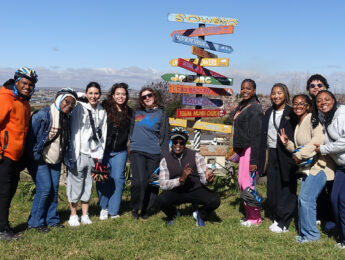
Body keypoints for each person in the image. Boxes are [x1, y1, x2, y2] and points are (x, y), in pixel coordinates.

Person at [279, 94, 335, 243]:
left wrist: (301, 154)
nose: (298, 106)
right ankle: (305, 233)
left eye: (302, 104)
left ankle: (311, 235)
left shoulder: (312, 119)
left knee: (306, 199)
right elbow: (299, 149)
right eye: (295, 104)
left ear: (308, 106)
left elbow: (318, 141)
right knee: (304, 199)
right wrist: (287, 144)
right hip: (307, 168)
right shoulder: (299, 123)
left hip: (320, 167)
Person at [26, 88, 77, 232]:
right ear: (59, 99)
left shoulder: (67, 118)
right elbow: (30, 139)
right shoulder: (43, 115)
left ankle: (52, 219)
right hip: (39, 159)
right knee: (44, 189)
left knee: (54, 190)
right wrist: (33, 156)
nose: (69, 105)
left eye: (73, 103)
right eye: (67, 101)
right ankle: (35, 222)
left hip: (56, 159)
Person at [0, 67, 38, 241]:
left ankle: (4, 227)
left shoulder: (24, 101)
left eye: (31, 84)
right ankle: (2, 230)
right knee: (4, 193)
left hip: (16, 156)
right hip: (4, 155)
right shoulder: (6, 98)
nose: (27, 87)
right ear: (16, 81)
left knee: (9, 192)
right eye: (24, 82)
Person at [156, 127, 220, 226]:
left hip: (195, 189)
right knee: (160, 200)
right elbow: (163, 184)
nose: (178, 145)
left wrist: (208, 179)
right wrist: (180, 180)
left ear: (185, 143)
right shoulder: (165, 160)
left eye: (181, 143)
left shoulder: (196, 156)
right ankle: (172, 213)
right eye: (175, 142)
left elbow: (203, 180)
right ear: (171, 142)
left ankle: (200, 214)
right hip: (176, 192)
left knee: (215, 200)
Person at [259, 83, 298, 233]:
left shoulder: (292, 112)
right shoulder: (268, 112)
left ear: (286, 94)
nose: (276, 96)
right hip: (272, 153)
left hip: (287, 153)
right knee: (273, 185)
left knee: (286, 185)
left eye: (279, 93)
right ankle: (276, 215)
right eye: (273, 93)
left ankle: (285, 220)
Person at [67, 82, 107, 226]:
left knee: (88, 185)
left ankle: (85, 214)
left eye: (96, 93)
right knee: (75, 184)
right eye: (90, 93)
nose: (93, 96)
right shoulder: (79, 108)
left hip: (93, 154)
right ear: (85, 93)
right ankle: (73, 215)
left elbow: (103, 134)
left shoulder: (102, 111)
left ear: (100, 95)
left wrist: (99, 156)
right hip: (79, 152)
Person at [129, 87, 169, 219]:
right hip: (137, 150)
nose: (147, 98)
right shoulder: (137, 112)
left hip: (154, 152)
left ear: (154, 96)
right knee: (139, 181)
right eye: (143, 97)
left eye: (149, 95)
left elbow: (165, 135)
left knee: (152, 182)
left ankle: (146, 209)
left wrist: (164, 155)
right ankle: (135, 207)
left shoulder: (162, 113)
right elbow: (131, 129)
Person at [314, 90, 345, 249]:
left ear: (334, 100)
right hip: (341, 166)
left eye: (327, 99)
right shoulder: (325, 117)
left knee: (343, 201)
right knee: (335, 199)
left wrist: (324, 149)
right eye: (319, 101)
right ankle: (342, 236)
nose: (323, 102)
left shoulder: (342, 114)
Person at [97, 83, 133, 220]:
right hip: (103, 150)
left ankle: (113, 210)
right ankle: (103, 207)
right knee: (102, 177)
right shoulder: (104, 108)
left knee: (118, 179)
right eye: (118, 94)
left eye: (123, 94)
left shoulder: (130, 112)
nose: (121, 96)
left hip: (120, 151)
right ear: (113, 95)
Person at [232, 79, 263, 227]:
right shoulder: (243, 105)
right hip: (244, 149)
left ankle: (255, 217)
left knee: (248, 183)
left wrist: (254, 161)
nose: (245, 91)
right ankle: (249, 214)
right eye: (243, 88)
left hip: (251, 149)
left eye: (248, 89)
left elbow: (257, 136)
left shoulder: (255, 108)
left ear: (254, 91)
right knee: (242, 183)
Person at [306, 74, 334, 229]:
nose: (316, 87)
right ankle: (319, 214)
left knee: (332, 186)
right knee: (318, 187)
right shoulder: (308, 107)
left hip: (331, 152)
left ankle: (331, 218)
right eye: (312, 85)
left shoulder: (331, 106)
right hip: (315, 153)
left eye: (319, 85)